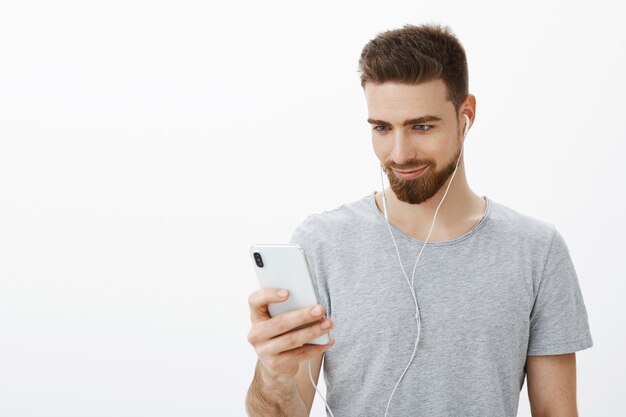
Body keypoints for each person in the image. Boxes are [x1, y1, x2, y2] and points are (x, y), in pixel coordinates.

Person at [245, 23, 593, 417]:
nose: (399, 154)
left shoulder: (536, 250)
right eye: (382, 128)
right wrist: (273, 375)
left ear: (467, 115)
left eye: (421, 126)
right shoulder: (322, 243)